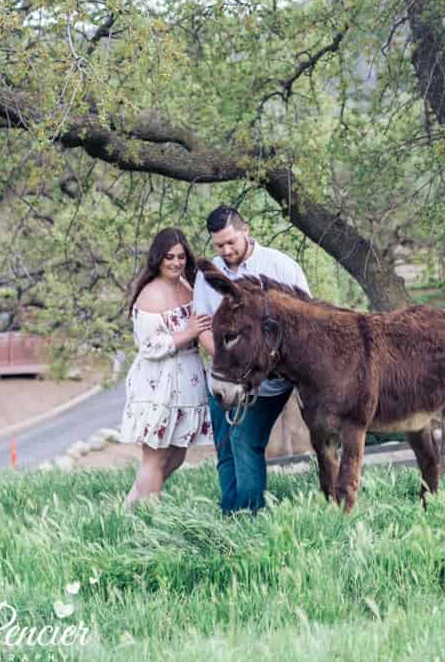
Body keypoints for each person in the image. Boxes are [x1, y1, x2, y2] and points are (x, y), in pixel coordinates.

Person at [193, 205, 310, 514]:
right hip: (222, 377)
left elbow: (308, 323)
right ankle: (230, 518)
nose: (226, 250)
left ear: (245, 230)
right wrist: (230, 366)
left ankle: (249, 518)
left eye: (231, 242)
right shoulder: (209, 275)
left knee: (244, 441)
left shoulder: (280, 266)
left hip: (267, 383)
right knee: (226, 450)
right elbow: (202, 326)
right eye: (219, 245)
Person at [119, 228, 213, 505]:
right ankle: (149, 512)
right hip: (160, 381)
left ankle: (132, 505)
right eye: (169, 257)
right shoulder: (151, 294)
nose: (175, 263)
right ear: (158, 259)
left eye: (181, 257)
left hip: (188, 379)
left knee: (177, 453)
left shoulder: (187, 286)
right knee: (156, 455)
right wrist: (189, 331)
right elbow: (149, 347)